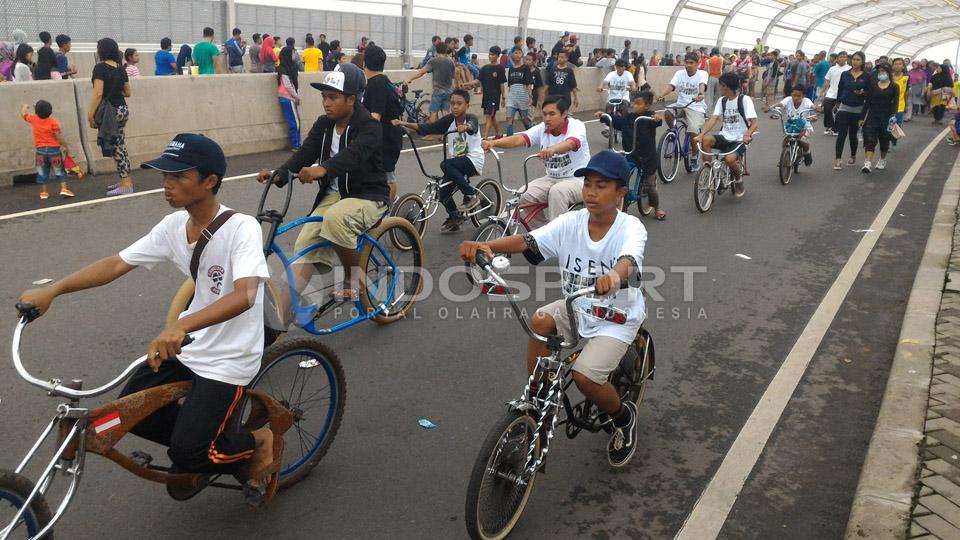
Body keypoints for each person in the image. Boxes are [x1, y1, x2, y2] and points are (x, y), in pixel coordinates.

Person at [17, 133, 278, 504]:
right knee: (132, 413)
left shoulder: (241, 228)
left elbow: (245, 294)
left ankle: (255, 442)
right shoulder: (173, 226)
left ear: (210, 182)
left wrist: (181, 325)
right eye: (165, 176)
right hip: (191, 345)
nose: (168, 185)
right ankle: (204, 440)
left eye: (179, 177)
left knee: (191, 454)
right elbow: (116, 263)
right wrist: (53, 291)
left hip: (230, 357)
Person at [458, 149, 647, 467]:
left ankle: (623, 417)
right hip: (578, 306)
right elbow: (527, 242)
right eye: (587, 183)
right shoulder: (571, 222)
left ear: (620, 192)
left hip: (615, 317)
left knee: (585, 377)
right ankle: (536, 401)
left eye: (601, 185)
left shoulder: (630, 227)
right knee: (540, 320)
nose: (591, 191)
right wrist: (487, 245)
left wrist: (614, 275)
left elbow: (629, 260)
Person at [257, 64, 389, 300]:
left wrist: (323, 169)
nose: (326, 103)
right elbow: (304, 154)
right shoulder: (323, 124)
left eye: (333, 97)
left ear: (351, 99)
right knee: (305, 242)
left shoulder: (369, 125)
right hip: (335, 196)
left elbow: (354, 155)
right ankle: (281, 317)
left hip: (368, 195)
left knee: (335, 219)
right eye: (324, 97)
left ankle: (353, 279)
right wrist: (278, 175)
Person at [481, 95, 590, 224]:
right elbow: (520, 138)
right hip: (551, 178)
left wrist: (552, 150)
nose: (547, 119)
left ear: (564, 114)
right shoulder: (543, 128)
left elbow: (571, 143)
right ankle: (540, 234)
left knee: (558, 192)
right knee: (523, 194)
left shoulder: (576, 126)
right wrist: (494, 143)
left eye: (552, 114)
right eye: (544, 114)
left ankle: (558, 236)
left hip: (578, 180)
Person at [394, 89, 483, 233]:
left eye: (459, 104)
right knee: (441, 193)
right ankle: (455, 217)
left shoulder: (471, 118)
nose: (454, 106)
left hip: (473, 160)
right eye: (452, 103)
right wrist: (403, 123)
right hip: (456, 165)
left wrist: (465, 127)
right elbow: (428, 127)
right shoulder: (449, 120)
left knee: (445, 164)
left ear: (467, 105)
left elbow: (472, 127)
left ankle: (471, 195)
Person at [597, 90, 665, 220]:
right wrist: (604, 116)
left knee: (650, 185)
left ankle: (656, 208)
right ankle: (624, 203)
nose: (635, 106)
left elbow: (657, 120)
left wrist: (657, 118)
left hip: (648, 158)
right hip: (631, 155)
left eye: (638, 104)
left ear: (647, 106)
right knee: (621, 176)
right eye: (634, 103)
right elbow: (617, 121)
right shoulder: (629, 118)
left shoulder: (649, 117)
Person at [693, 72, 759, 197]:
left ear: (726, 87)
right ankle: (708, 171)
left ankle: (738, 180)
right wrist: (701, 135)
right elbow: (713, 119)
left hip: (740, 139)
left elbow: (755, 123)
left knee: (729, 159)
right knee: (706, 140)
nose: (719, 88)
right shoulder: (722, 100)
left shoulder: (744, 100)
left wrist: (748, 134)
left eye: (720, 85)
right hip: (725, 135)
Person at [88, 38, 133, 196]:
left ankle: (126, 183)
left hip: (111, 112)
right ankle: (124, 180)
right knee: (120, 144)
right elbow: (128, 92)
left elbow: (98, 93)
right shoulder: (121, 68)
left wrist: (90, 113)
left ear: (102, 51)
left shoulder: (100, 68)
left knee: (116, 147)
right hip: (122, 109)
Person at [362, 44, 402, 202]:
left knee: (388, 178)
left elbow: (375, 116)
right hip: (386, 137)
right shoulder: (381, 80)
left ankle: (387, 213)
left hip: (386, 140)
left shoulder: (377, 84)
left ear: (365, 63)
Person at [656, 53, 708, 169]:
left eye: (691, 63)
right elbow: (671, 86)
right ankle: (673, 135)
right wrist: (661, 94)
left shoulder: (702, 74)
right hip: (681, 104)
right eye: (686, 62)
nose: (688, 65)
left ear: (697, 64)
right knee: (668, 112)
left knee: (693, 129)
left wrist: (700, 94)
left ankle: (694, 157)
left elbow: (702, 85)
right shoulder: (679, 73)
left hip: (696, 106)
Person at [21, 100, 74, 199]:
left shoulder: (33, 119)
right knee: (59, 170)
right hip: (54, 151)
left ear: (36, 112)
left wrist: (25, 106)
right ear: (50, 111)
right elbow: (59, 137)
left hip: (40, 152)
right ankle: (64, 189)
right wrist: (65, 146)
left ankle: (44, 192)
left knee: (42, 171)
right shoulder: (53, 122)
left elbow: (24, 115)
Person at [403, 41, 456, 134]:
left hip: (438, 91)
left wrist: (409, 79)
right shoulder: (451, 62)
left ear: (436, 50)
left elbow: (421, 72)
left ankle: (428, 134)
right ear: (446, 50)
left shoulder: (433, 61)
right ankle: (449, 133)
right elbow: (454, 75)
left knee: (433, 113)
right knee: (446, 113)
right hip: (449, 91)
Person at [833, 51, 870, 170]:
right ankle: (838, 159)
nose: (855, 61)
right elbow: (840, 89)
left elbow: (870, 94)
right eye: (853, 59)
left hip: (858, 109)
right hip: (844, 107)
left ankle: (853, 156)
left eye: (858, 59)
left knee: (853, 135)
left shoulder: (867, 76)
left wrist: (863, 93)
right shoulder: (845, 74)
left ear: (862, 62)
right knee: (841, 134)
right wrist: (837, 103)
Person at [860, 63, 898, 173]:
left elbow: (895, 102)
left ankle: (882, 159)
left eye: (883, 71)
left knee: (884, 140)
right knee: (870, 139)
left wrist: (894, 115)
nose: (881, 73)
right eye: (879, 72)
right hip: (872, 116)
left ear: (888, 72)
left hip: (886, 117)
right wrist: (862, 118)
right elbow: (867, 103)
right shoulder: (873, 86)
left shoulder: (894, 86)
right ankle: (867, 163)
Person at [765, 84, 815, 167]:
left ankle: (807, 153)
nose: (795, 98)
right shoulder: (788, 100)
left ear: (803, 96)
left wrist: (816, 108)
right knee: (785, 139)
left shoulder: (807, 101)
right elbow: (780, 104)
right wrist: (770, 107)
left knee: (802, 140)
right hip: (791, 126)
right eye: (794, 95)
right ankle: (784, 156)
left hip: (804, 127)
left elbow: (812, 106)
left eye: (798, 96)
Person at [469, 46, 507, 139]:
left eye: (492, 54)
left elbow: (502, 84)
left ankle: (485, 137)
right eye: (489, 54)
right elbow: (478, 81)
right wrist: (466, 84)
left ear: (497, 56)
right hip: (486, 97)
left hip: (495, 97)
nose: (490, 56)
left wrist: (503, 98)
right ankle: (499, 133)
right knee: (490, 116)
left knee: (489, 116)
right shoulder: (485, 68)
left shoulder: (500, 68)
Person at [277, 44, 301, 151]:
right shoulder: (284, 69)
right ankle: (296, 144)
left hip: (287, 98)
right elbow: (288, 85)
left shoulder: (287, 67)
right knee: (295, 122)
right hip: (288, 98)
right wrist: (297, 97)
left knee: (294, 121)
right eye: (293, 53)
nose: (295, 55)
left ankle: (295, 143)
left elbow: (294, 84)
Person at [505, 48, 534, 136]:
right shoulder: (511, 69)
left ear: (522, 55)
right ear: (512, 55)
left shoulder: (525, 68)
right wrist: (509, 96)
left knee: (525, 119)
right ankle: (509, 139)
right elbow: (510, 85)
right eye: (515, 53)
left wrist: (530, 96)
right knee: (509, 118)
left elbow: (529, 83)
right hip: (512, 98)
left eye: (519, 53)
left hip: (523, 97)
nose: (517, 55)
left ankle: (532, 135)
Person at [821, 51, 850, 135]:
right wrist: (822, 92)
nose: (842, 58)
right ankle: (829, 125)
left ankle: (835, 129)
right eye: (841, 57)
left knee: (839, 112)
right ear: (837, 58)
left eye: (844, 57)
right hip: (831, 93)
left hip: (843, 94)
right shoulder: (832, 68)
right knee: (827, 108)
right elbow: (827, 81)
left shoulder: (849, 69)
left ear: (846, 58)